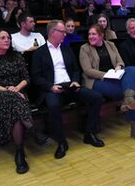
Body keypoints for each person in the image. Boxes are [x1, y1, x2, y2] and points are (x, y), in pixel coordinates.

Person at [31, 20, 105, 160]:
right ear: (53, 32)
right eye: (62, 31)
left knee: (96, 97)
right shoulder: (39, 53)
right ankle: (61, 141)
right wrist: (51, 87)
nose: (65, 34)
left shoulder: (66, 49)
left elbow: (76, 69)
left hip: (70, 86)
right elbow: (36, 77)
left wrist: (75, 81)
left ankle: (89, 133)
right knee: (53, 105)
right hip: (52, 88)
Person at [79, 24, 135, 141]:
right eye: (89, 34)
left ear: (101, 35)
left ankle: (127, 100)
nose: (90, 37)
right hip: (96, 81)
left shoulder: (111, 45)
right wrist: (106, 75)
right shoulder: (84, 48)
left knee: (132, 69)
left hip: (114, 77)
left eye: (94, 34)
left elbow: (120, 61)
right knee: (128, 93)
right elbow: (87, 70)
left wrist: (118, 67)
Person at [0, 29, 37, 174]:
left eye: (8, 38)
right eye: (3, 38)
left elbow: (26, 78)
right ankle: (33, 130)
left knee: (15, 109)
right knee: (12, 100)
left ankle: (19, 152)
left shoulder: (16, 56)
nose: (7, 40)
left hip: (18, 94)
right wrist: (10, 91)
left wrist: (17, 89)